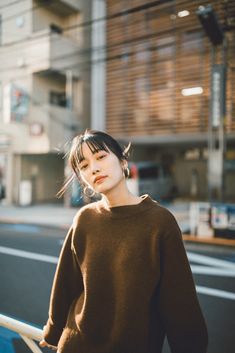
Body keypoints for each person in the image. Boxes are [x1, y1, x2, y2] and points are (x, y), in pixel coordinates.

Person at [39, 129, 208, 353]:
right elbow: (65, 286)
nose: (94, 168)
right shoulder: (84, 219)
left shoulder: (159, 222)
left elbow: (179, 301)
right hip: (76, 346)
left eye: (100, 157)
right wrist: (53, 331)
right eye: (84, 166)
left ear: (122, 160)